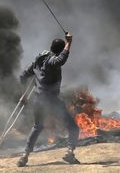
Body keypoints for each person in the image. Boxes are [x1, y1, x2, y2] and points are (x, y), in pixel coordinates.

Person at [17, 32, 80, 167]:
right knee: (73, 127)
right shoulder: (52, 62)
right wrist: (69, 42)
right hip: (51, 101)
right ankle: (70, 153)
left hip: (38, 100)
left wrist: (22, 95)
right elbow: (61, 60)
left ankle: (24, 156)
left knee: (37, 126)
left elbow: (23, 76)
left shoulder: (38, 61)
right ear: (59, 50)